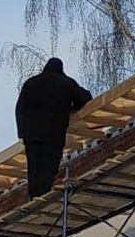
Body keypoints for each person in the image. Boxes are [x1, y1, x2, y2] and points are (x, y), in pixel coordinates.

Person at [15, 57, 93, 200]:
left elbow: (20, 108)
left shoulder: (31, 83)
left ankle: (34, 196)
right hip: (53, 134)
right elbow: (85, 97)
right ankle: (43, 195)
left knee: (34, 167)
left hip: (32, 135)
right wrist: (71, 108)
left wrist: (22, 132)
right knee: (49, 166)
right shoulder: (65, 83)